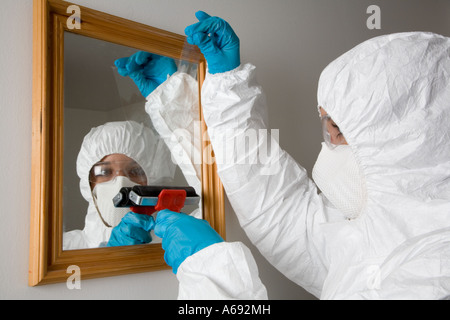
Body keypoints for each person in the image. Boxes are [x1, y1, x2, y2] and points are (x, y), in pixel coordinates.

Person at [119, 12, 450, 300]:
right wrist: (192, 93)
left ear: (407, 139)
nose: (329, 142)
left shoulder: (434, 272)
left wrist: (213, 275)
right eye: (326, 124)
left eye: (339, 128)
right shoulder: (381, 231)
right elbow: (281, 211)